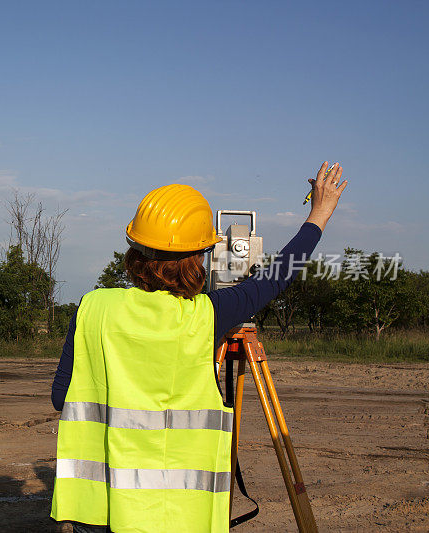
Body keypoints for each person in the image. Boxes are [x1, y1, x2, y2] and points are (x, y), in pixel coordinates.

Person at [50, 163, 347, 533]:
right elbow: (277, 276)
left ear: (136, 251)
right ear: (200, 256)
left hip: (99, 508)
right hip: (174, 514)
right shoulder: (210, 315)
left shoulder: (92, 308)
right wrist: (319, 213)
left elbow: (63, 398)